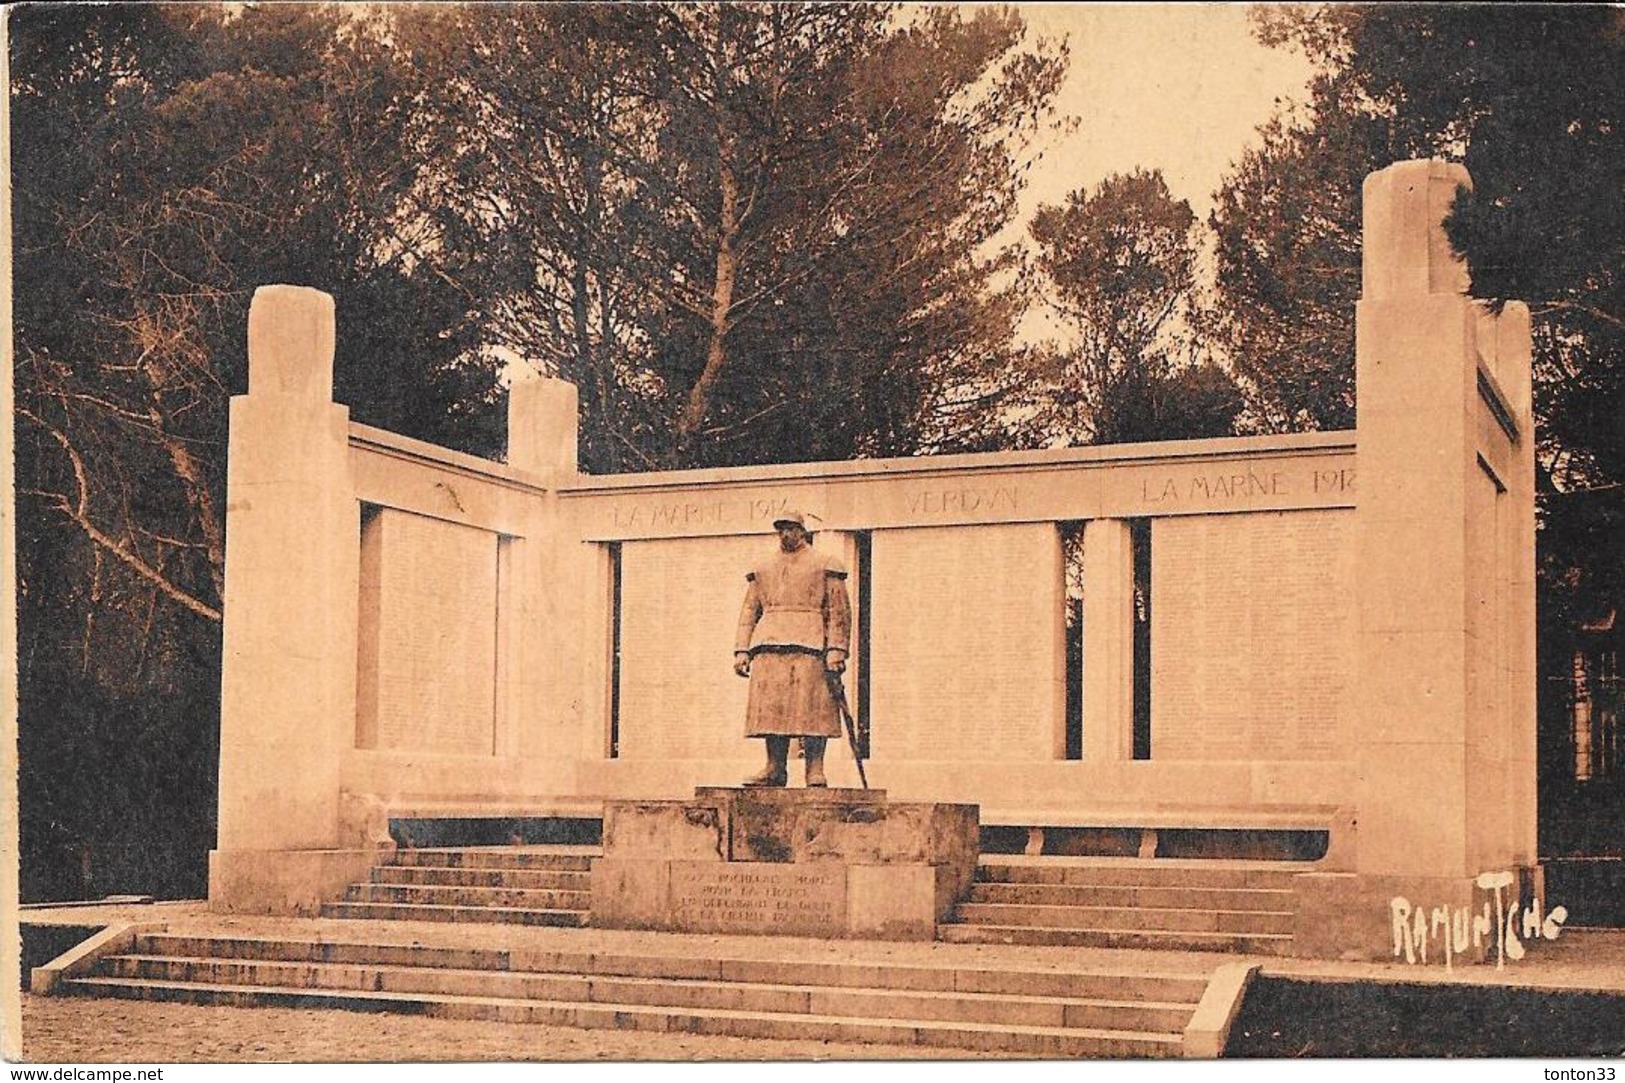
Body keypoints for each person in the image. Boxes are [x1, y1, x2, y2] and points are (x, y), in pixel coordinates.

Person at [733, 510, 851, 787]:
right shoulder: (762, 567)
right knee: (771, 710)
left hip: (811, 643)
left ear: (802, 531)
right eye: (782, 529)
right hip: (769, 642)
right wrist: (741, 649)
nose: (787, 534)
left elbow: (838, 610)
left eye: (792, 528)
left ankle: (815, 769)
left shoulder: (825, 564)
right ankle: (775, 767)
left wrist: (836, 648)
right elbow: (750, 609)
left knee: (813, 709)